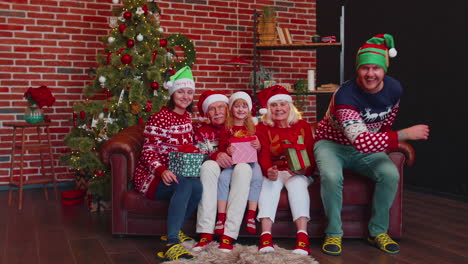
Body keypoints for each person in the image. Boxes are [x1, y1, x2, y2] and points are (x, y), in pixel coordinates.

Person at [313, 34, 430, 256]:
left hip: (364, 149)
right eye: (364, 68)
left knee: (390, 173)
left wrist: (386, 140)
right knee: (331, 176)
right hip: (331, 144)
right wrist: (404, 134)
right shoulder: (345, 95)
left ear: (384, 70)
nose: (370, 74)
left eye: (375, 68)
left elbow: (387, 117)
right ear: (358, 70)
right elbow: (362, 141)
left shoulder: (394, 89)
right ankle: (334, 233)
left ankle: (377, 232)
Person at [133, 66, 202, 261]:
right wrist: (161, 170)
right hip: (151, 176)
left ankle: (176, 229)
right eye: (181, 92)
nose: (185, 96)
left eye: (189, 92)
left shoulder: (187, 117)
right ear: (172, 94)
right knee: (186, 184)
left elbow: (186, 146)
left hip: (176, 171)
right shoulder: (159, 118)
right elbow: (148, 151)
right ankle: (171, 243)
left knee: (198, 186)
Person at [255, 85, 316, 256]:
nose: (279, 109)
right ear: (268, 109)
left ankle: (302, 237)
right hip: (275, 170)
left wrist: (304, 170)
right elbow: (264, 154)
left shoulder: (302, 126)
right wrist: (268, 171)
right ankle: (265, 236)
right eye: (274, 105)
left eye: (283, 104)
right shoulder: (262, 127)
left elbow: (311, 154)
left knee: (298, 186)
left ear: (290, 106)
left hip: (297, 172)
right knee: (269, 185)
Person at [193, 90, 254, 252]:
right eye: (212, 109)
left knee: (243, 168)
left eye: (221, 107)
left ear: (228, 109)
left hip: (238, 171)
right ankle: (206, 232)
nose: (217, 112)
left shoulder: (241, 126)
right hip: (213, 172)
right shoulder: (202, 131)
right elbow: (196, 155)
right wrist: (215, 155)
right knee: (208, 166)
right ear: (207, 113)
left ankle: (229, 234)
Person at [215, 92, 263, 251]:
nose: (241, 109)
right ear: (231, 108)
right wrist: (227, 149)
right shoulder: (226, 128)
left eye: (244, 106)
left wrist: (258, 146)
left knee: (257, 178)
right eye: (237, 106)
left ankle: (251, 214)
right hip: (233, 163)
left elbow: (261, 148)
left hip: (250, 162)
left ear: (249, 110)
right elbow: (222, 147)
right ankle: (221, 217)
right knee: (223, 178)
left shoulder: (253, 128)